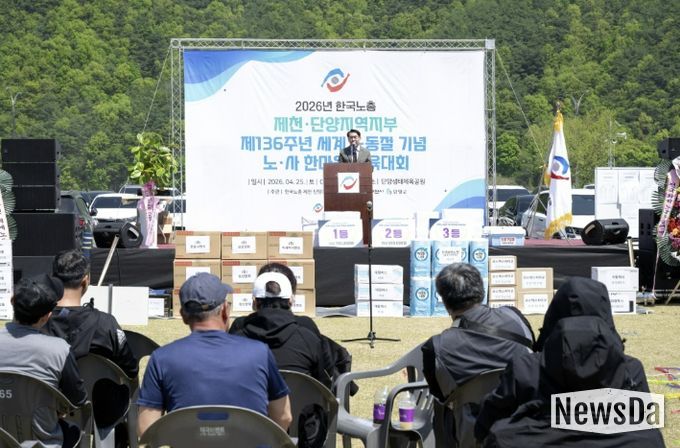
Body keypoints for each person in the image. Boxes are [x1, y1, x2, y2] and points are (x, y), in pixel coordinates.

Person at [474, 277, 664, 447]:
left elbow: (486, 422)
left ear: (555, 312)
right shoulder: (630, 368)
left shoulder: (525, 367)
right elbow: (644, 419)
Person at [137, 272, 291, 436]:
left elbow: (146, 429)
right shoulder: (260, 353)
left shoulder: (161, 359)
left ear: (183, 316)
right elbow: (284, 416)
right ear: (224, 310)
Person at [421, 263, 534, 447]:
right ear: (481, 291)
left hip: (472, 434)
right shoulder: (516, 317)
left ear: (444, 301)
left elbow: (441, 395)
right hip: (524, 424)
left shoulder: (436, 348)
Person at [230, 263, 355, 393]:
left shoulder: (238, 334)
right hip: (301, 405)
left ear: (254, 302)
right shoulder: (306, 334)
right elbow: (323, 382)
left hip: (248, 405)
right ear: (291, 300)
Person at [0, 274, 88, 448]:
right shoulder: (60, 350)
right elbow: (77, 399)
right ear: (47, 316)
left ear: (12, 301)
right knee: (73, 431)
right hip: (44, 441)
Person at [43, 249, 138, 377]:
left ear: (53, 278)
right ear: (86, 280)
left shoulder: (37, 321)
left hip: (47, 389)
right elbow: (131, 369)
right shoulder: (106, 324)